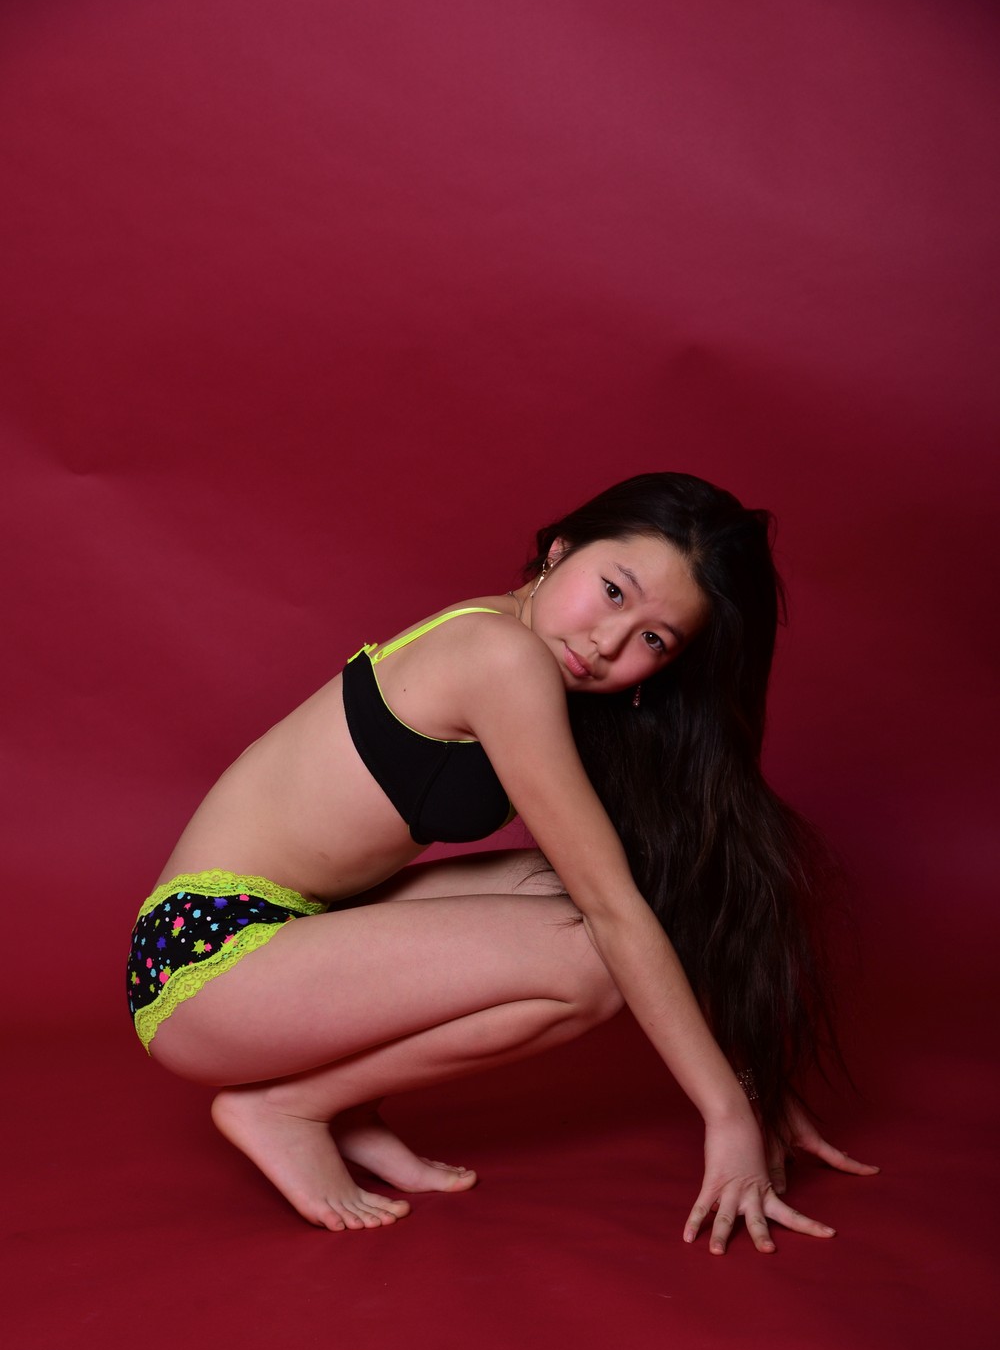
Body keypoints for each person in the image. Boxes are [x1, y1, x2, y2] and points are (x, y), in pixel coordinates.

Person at [126, 472, 877, 1251]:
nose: (608, 643)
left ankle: (340, 1108)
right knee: (596, 952)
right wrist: (725, 1115)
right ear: (560, 550)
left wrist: (754, 1085)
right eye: (613, 591)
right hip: (201, 959)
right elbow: (612, 913)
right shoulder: (498, 656)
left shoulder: (525, 649)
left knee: (625, 895)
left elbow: (646, 894)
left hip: (292, 926)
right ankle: (288, 1106)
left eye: (655, 639)